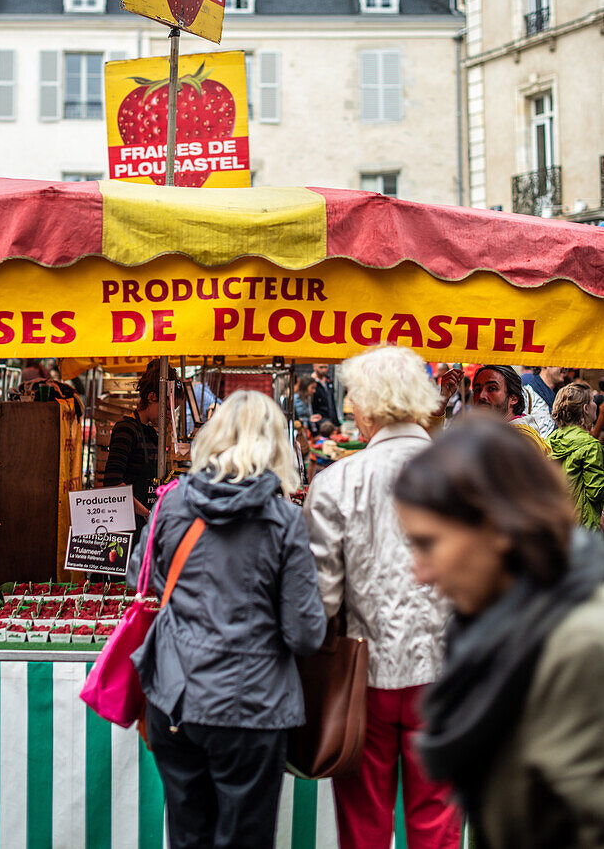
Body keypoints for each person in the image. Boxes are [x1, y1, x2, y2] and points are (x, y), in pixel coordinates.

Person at [393, 414, 604, 849]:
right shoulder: (494, 625)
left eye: (429, 543)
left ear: (497, 528)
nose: (420, 572)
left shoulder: (580, 644)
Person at [127, 390, 326, 849]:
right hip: (251, 708)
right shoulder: (283, 521)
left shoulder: (171, 504)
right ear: (275, 445)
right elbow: (304, 633)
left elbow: (138, 584)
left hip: (176, 699)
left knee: (187, 836)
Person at [304, 346, 461, 849]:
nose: (350, 408)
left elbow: (321, 601)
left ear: (370, 406)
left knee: (364, 824)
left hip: (362, 674)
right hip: (445, 672)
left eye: (354, 400)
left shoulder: (335, 483)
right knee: (436, 820)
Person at [103, 360, 183, 538]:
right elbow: (113, 483)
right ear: (152, 397)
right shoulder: (126, 429)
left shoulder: (150, 432)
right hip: (129, 528)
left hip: (145, 526)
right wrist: (147, 513)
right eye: (169, 409)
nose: (170, 416)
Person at [549, 382, 604, 531]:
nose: (595, 405)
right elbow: (596, 492)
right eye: (592, 400)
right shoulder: (590, 446)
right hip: (584, 528)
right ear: (586, 409)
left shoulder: (551, 440)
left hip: (558, 524)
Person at [471, 364, 550, 453]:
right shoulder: (494, 434)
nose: (481, 396)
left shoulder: (520, 441)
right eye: (477, 390)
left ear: (513, 398)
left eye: (492, 388)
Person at [520, 366, 563, 437]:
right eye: (559, 363)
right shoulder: (527, 394)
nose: (565, 368)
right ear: (544, 365)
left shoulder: (561, 396)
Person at [311, 363, 340, 427]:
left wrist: (337, 423)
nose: (324, 370)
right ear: (314, 366)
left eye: (326, 367)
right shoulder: (311, 383)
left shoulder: (329, 381)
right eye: (321, 367)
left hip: (330, 421)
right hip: (318, 422)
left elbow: (332, 403)